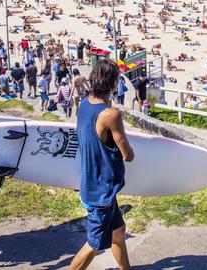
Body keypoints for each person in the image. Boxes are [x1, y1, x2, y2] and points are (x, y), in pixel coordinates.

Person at [69, 59, 134, 270]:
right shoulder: (110, 115)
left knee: (118, 233)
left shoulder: (86, 104)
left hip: (92, 182)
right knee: (93, 245)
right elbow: (128, 155)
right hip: (101, 191)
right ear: (114, 83)